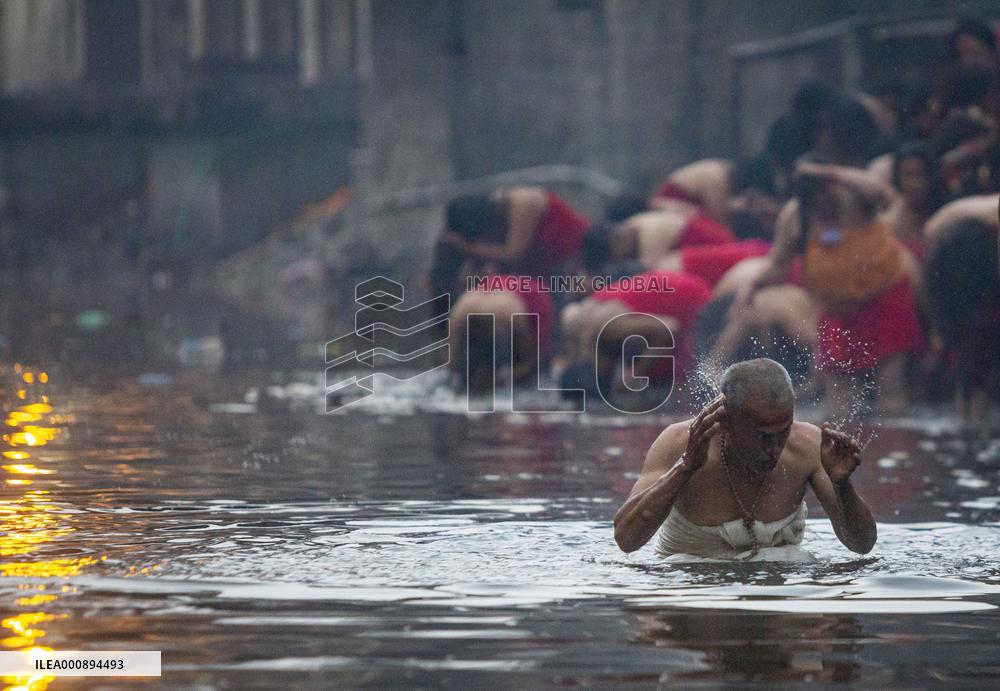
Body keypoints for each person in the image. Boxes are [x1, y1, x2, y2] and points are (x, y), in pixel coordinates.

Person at [736, 97, 923, 417]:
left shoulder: (854, 194)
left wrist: (828, 172)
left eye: (822, 192)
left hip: (884, 296)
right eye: (812, 196)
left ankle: (895, 450)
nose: (821, 203)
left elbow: (882, 194)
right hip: (836, 309)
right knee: (839, 403)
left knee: (890, 390)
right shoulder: (797, 215)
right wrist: (752, 287)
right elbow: (779, 263)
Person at [613, 358, 877, 560]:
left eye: (783, 432)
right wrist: (685, 467)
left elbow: (861, 545)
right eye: (762, 436)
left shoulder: (809, 446)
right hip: (689, 602)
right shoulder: (679, 443)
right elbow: (626, 539)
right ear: (726, 422)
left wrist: (843, 486)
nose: (774, 449)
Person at [441, 188, 589, 280]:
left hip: (581, 260)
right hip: (549, 275)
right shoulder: (496, 226)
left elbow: (514, 254)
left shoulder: (522, 201)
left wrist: (467, 248)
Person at [448, 275, 555, 394]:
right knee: (536, 371)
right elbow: (534, 359)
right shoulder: (525, 303)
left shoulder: (465, 307)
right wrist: (513, 375)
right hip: (508, 308)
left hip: (470, 305)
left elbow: (452, 362)